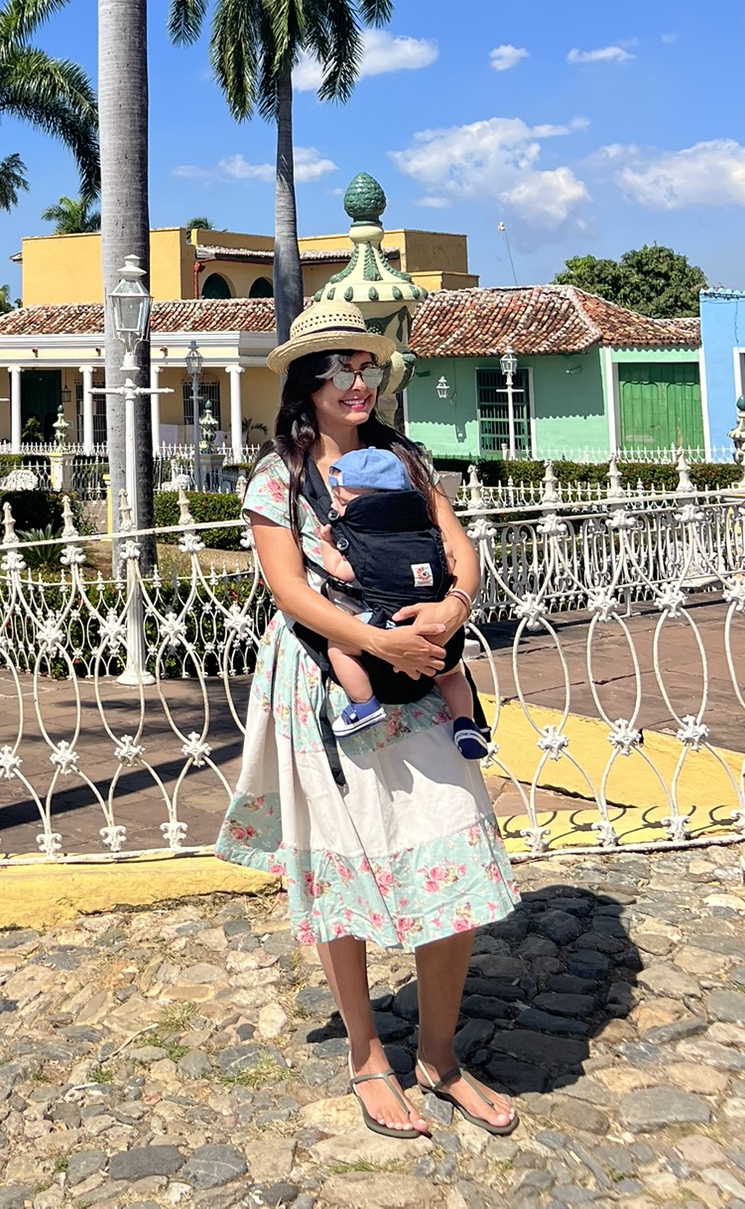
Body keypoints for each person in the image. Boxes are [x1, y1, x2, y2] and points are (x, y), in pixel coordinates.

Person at [216, 299, 519, 1142]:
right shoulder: (277, 478)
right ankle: (366, 1055)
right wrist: (382, 641)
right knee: (342, 862)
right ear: (307, 382)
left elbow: (458, 546)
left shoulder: (404, 458)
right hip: (329, 683)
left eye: (368, 367)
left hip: (420, 667)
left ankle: (439, 1057)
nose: (359, 383)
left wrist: (453, 610)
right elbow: (290, 589)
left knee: (454, 837)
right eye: (341, 369)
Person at [314, 446, 491, 758]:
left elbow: (339, 570)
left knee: (338, 646)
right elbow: (450, 562)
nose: (333, 506)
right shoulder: (429, 533)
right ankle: (466, 722)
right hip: (440, 634)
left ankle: (364, 704)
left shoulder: (363, 544)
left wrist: (328, 544)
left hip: (386, 628)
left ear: (368, 505)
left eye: (341, 501)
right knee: (452, 674)